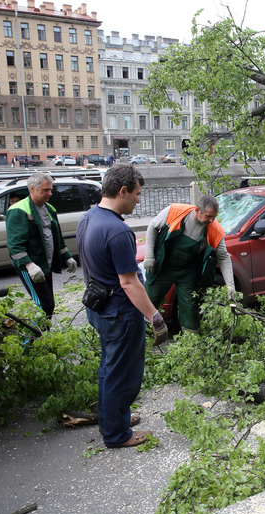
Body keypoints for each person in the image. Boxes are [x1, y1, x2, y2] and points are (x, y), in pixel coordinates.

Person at [77, 165, 168, 448]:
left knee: (109, 368)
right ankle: (118, 435)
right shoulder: (118, 231)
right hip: (119, 313)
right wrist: (154, 316)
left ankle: (112, 420)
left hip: (99, 307)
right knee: (124, 375)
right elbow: (130, 283)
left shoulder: (88, 218)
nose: (138, 201)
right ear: (123, 191)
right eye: (137, 195)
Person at [142, 195, 236, 334]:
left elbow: (223, 258)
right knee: (149, 300)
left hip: (187, 272)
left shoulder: (214, 229)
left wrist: (230, 285)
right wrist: (149, 256)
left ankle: (191, 342)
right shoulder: (175, 212)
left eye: (214, 217)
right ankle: (140, 334)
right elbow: (153, 227)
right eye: (208, 216)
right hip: (164, 266)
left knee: (189, 307)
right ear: (197, 210)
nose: (211, 220)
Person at [6, 172, 77, 317]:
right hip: (31, 267)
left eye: (50, 189)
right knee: (43, 305)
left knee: (48, 304)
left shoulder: (49, 209)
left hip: (45, 265)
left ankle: (44, 336)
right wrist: (29, 265)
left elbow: (57, 238)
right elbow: (15, 246)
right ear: (32, 189)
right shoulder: (19, 210)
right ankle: (33, 339)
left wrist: (67, 257)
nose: (50, 193)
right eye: (45, 190)